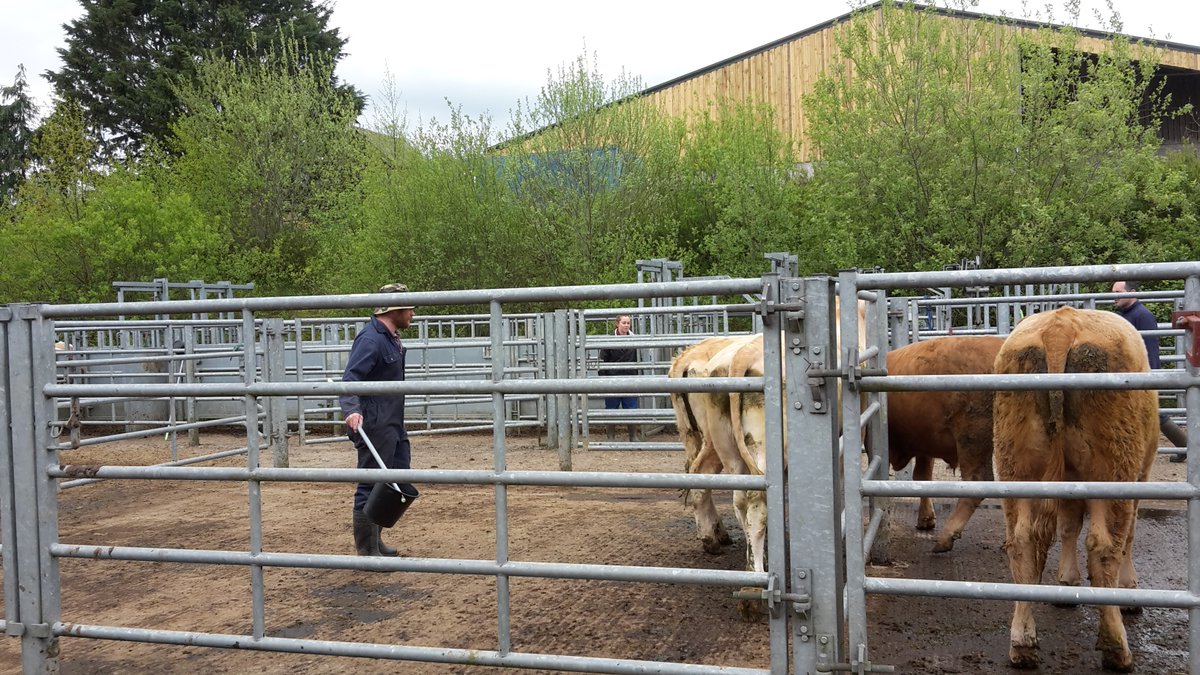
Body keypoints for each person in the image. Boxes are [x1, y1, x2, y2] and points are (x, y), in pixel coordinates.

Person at [340, 283, 416, 556]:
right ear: (394, 309)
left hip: (393, 420)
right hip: (374, 422)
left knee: (396, 478)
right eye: (408, 308)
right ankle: (367, 549)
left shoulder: (390, 336)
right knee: (371, 482)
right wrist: (351, 410)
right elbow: (351, 379)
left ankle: (376, 540)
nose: (412, 314)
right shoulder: (371, 339)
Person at [1112, 280, 1189, 462]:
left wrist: (1151, 376)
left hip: (1140, 371)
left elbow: (1150, 346)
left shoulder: (1141, 315)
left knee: (1153, 410)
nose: (1113, 296)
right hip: (1130, 371)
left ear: (1131, 292)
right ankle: (1185, 446)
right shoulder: (1125, 315)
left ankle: (1186, 445)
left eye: (1118, 292)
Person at [599, 314, 640, 441]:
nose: (626, 325)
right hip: (613, 380)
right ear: (617, 324)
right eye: (624, 323)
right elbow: (602, 360)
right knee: (612, 407)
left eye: (628, 323)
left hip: (629, 379)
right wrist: (605, 378)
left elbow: (638, 360)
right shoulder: (608, 340)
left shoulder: (635, 340)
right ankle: (611, 436)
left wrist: (637, 376)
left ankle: (633, 436)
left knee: (631, 408)